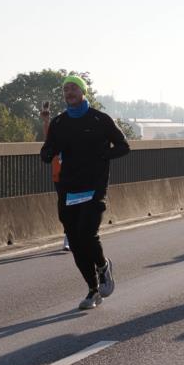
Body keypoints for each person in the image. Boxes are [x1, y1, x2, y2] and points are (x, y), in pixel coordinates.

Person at [40, 75, 129, 309]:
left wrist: (102, 156)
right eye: (65, 90)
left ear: (83, 92)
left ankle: (103, 266)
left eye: (73, 88)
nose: (68, 92)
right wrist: (46, 153)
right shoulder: (60, 123)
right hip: (69, 189)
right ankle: (92, 290)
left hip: (94, 187)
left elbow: (123, 146)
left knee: (87, 233)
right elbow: (49, 147)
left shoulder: (99, 119)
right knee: (76, 242)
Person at [41, 101, 70, 252]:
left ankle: (77, 234)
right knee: (64, 207)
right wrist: (46, 120)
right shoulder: (55, 138)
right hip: (59, 176)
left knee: (76, 206)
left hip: (76, 175)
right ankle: (69, 235)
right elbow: (48, 138)